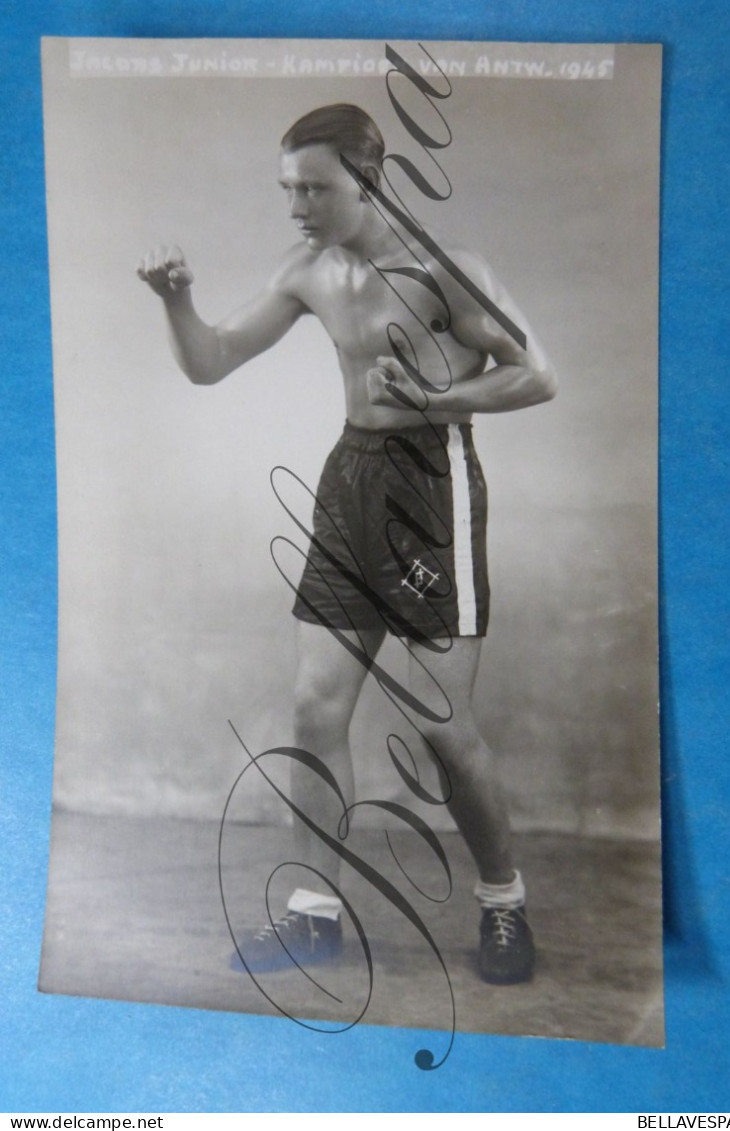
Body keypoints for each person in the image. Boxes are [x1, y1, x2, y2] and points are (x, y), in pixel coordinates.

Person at [138, 103, 557, 985]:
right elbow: (211, 361)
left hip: (432, 486)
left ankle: (504, 901)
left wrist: (444, 401)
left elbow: (536, 374)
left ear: (367, 178)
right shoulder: (309, 270)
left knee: (443, 729)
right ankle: (316, 917)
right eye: (288, 188)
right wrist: (179, 301)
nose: (298, 206)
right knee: (315, 709)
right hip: (350, 479)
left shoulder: (448, 270)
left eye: (315, 188)